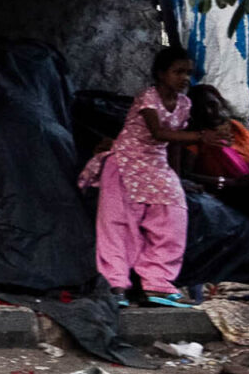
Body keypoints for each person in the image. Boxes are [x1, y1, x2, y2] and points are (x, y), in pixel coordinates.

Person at [92, 45, 225, 308]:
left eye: (188, 73)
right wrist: (202, 137)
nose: (185, 78)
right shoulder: (148, 97)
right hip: (125, 164)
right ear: (161, 74)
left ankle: (157, 284)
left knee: (172, 221)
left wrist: (175, 178)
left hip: (156, 167)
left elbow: (174, 145)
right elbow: (158, 133)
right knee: (119, 226)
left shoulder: (184, 104)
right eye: (178, 72)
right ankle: (116, 284)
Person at [185, 83, 249, 185]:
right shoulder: (196, 138)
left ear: (221, 103)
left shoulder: (235, 128)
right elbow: (186, 174)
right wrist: (229, 182)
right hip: (222, 190)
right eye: (201, 108)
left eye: (212, 104)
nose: (208, 112)